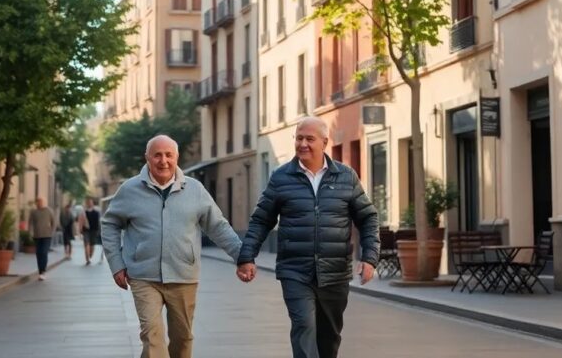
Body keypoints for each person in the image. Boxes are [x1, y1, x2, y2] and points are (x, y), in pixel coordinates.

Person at [236, 117, 379, 358]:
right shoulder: (281, 177)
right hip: (295, 271)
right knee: (304, 327)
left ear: (324, 142)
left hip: (335, 272)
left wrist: (370, 257)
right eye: (299, 138)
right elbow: (262, 219)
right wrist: (246, 256)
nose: (303, 143)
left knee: (329, 336)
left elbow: (368, 218)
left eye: (309, 139)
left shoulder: (346, 177)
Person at [102, 135, 242, 358]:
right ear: (147, 157)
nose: (163, 161)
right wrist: (116, 264)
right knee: (152, 334)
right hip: (143, 276)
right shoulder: (129, 189)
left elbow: (218, 226)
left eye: (169, 155)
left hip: (183, 275)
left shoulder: (195, 189)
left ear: (176, 157)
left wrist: (241, 256)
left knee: (183, 338)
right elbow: (109, 224)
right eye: (157, 155)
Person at [28, 197, 57, 281]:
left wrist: (52, 232)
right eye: (38, 202)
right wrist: (30, 233)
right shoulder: (34, 212)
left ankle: (43, 271)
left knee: (44, 252)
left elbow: (54, 222)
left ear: (43, 202)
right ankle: (40, 271)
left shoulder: (49, 211)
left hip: (47, 235)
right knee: (38, 253)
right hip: (37, 236)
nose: (39, 203)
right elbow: (30, 223)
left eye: (40, 202)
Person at [81, 197, 102, 265]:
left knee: (92, 245)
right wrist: (80, 229)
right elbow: (81, 221)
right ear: (87, 204)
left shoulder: (96, 212)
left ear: (92, 203)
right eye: (88, 202)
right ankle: (87, 259)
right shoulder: (84, 212)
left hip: (94, 231)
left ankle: (90, 255)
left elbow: (98, 222)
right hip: (86, 231)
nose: (90, 204)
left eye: (91, 202)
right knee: (86, 244)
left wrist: (99, 230)